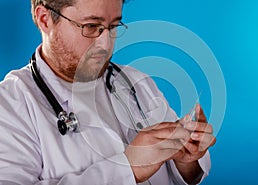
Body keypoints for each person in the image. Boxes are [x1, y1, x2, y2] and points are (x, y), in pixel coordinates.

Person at [0, 0, 216, 184]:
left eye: (113, 27)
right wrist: (128, 169)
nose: (105, 43)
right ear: (45, 19)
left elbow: (181, 175)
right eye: (91, 26)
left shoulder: (136, 82)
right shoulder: (10, 105)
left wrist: (186, 160)